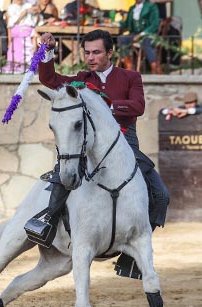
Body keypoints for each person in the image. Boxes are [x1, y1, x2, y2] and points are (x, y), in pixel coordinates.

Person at [30, 29, 170, 278]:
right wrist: (48, 51)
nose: (91, 57)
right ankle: (47, 221)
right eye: (87, 53)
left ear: (110, 52)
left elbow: (137, 106)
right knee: (63, 176)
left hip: (124, 145)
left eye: (96, 52)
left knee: (160, 195)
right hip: (91, 147)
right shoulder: (82, 79)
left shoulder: (130, 76)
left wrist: (105, 105)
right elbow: (49, 79)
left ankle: (130, 256)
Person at [117, 0, 162, 75]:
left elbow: (155, 24)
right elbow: (126, 24)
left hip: (149, 33)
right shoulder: (132, 8)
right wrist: (116, 22)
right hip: (134, 34)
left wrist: (142, 34)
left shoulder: (151, 6)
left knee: (146, 41)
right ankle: (129, 65)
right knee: (122, 39)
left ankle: (155, 67)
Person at [0, 0, 39, 73]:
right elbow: (12, 24)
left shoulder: (28, 5)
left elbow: (35, 17)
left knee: (33, 36)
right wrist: (24, 13)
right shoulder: (11, 8)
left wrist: (34, 12)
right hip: (17, 29)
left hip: (28, 29)